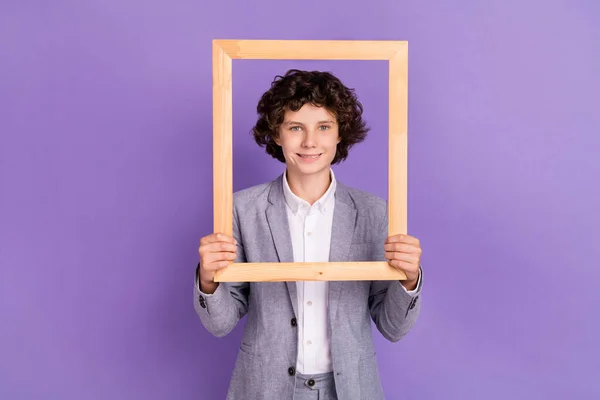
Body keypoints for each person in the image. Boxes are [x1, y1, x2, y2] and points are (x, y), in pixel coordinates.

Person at [194, 69, 423, 400]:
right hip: (264, 388)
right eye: (295, 127)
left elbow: (393, 327)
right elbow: (220, 323)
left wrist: (409, 280)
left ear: (340, 133)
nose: (310, 142)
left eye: (324, 127)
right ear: (277, 133)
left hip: (349, 389)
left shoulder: (375, 213)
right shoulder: (242, 210)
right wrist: (207, 279)